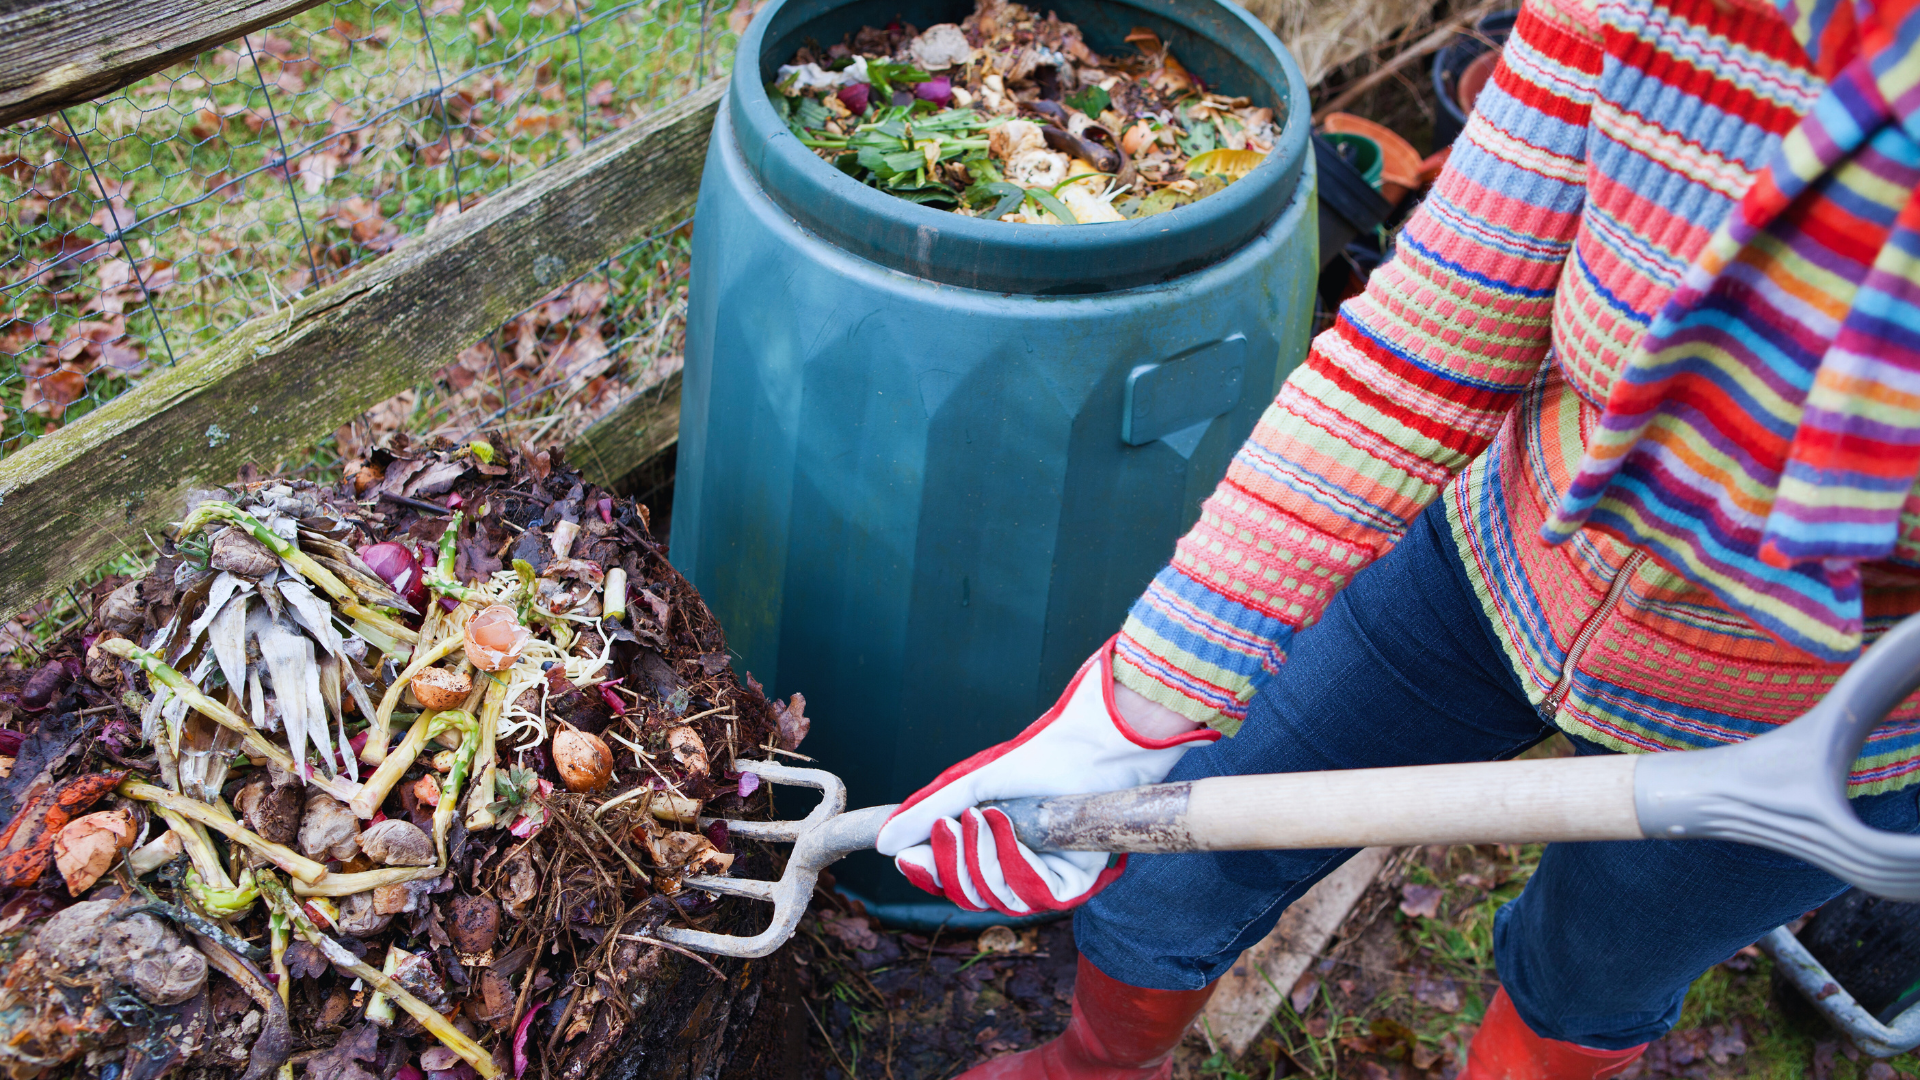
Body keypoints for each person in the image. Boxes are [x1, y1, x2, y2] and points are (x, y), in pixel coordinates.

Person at [873, 0, 1920, 1074]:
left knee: (1590, 981)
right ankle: (1086, 1065)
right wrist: (1134, 708)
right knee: (1169, 873)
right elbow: (1429, 341)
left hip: (1808, 721)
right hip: (1493, 566)